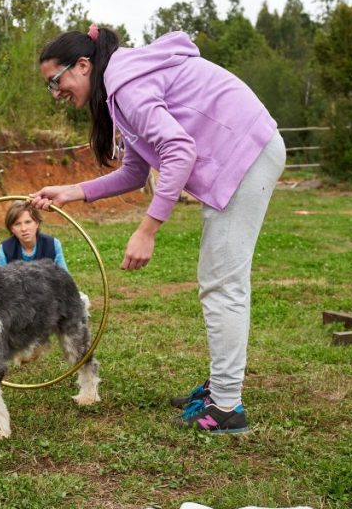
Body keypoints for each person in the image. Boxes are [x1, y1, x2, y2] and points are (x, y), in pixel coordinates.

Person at [30, 25, 286, 435]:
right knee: (219, 280)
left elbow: (179, 150)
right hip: (246, 150)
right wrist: (71, 191)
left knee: (223, 283)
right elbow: (135, 171)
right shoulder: (122, 87)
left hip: (246, 153)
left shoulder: (125, 84)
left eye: (55, 82)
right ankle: (221, 388)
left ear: (82, 65)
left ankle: (226, 407)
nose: (56, 93)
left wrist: (148, 228)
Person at [0, 200, 69, 272]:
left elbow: (65, 277)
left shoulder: (52, 244)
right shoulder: (6, 248)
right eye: (17, 224)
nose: (24, 229)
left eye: (28, 222)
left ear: (37, 223)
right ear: (11, 228)